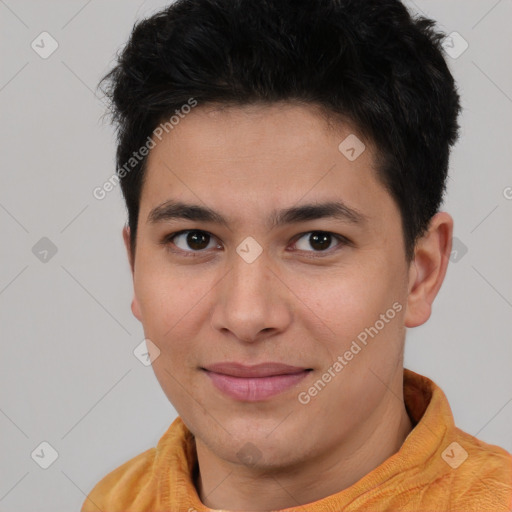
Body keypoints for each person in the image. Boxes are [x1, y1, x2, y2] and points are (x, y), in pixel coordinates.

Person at [82, 0, 512, 510]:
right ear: (135, 267)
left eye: (317, 241)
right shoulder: (116, 501)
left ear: (421, 272)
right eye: (195, 239)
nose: (247, 316)